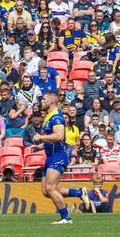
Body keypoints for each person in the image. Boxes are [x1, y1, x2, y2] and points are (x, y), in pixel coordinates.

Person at [36, 91, 74, 224]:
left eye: (44, 99)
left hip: (58, 156)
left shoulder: (57, 117)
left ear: (52, 101)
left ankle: (66, 217)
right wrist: (40, 146)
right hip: (50, 156)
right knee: (46, 191)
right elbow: (53, 139)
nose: (42, 102)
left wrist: (41, 137)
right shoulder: (48, 116)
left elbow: (59, 136)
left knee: (51, 188)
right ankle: (79, 193)